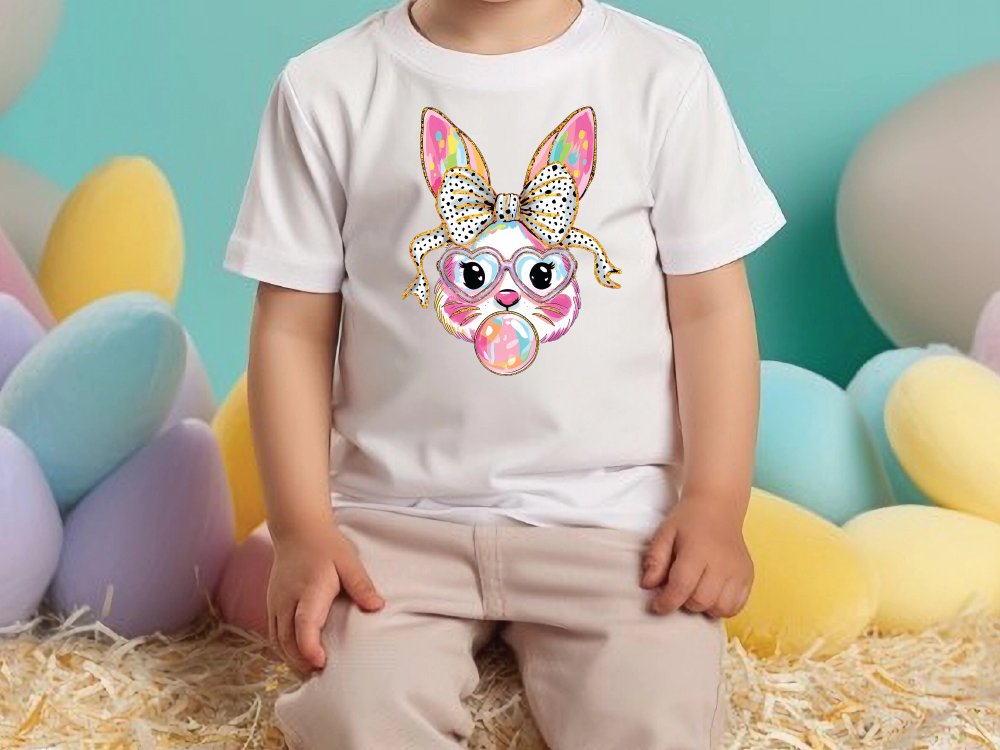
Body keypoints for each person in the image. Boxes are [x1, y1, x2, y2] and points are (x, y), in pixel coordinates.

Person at [224, 0, 785, 746]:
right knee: (355, 715)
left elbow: (710, 310)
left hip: (613, 530)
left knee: (657, 718)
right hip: (393, 532)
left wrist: (716, 502)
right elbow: (293, 327)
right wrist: (301, 528)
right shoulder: (328, 88)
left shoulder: (662, 77)